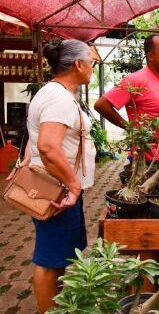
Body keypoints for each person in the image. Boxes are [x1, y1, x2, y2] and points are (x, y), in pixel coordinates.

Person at [8, 40, 97, 312]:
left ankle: (58, 306)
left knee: (58, 258)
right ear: (78, 64)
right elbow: (47, 145)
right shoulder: (58, 97)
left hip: (57, 188)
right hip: (56, 192)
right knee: (49, 260)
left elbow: (36, 138)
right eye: (91, 62)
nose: (93, 68)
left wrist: (26, 159)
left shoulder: (54, 93)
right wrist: (73, 186)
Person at [94, 34, 159, 162]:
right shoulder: (135, 80)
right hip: (146, 158)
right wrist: (130, 128)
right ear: (150, 56)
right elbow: (101, 105)